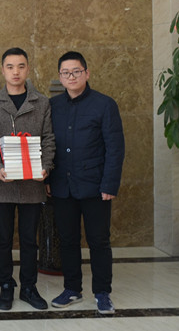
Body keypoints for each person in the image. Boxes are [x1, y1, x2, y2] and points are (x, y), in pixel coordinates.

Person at [48, 51, 125, 315]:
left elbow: (115, 148)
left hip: (95, 187)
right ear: (60, 77)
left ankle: (102, 293)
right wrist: (48, 178)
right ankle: (72, 289)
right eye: (66, 73)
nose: (71, 76)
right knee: (68, 241)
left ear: (86, 73)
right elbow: (48, 145)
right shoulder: (53, 106)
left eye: (76, 71)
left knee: (99, 241)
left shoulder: (105, 105)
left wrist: (109, 185)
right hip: (62, 186)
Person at [0, 48, 55, 311]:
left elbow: (49, 139)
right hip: (2, 183)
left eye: (21, 66)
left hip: (32, 183)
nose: (16, 72)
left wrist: (45, 167)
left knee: (29, 239)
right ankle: (5, 285)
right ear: (2, 70)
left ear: (28, 69)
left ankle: (28, 287)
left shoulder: (42, 102)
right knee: (3, 238)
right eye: (10, 67)